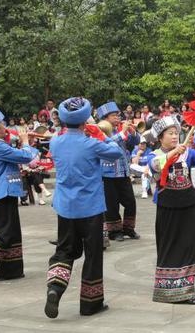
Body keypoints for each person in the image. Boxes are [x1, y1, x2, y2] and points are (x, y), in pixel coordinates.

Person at [44, 97, 123, 319]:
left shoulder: (55, 142)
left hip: (65, 207)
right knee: (93, 255)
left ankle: (55, 288)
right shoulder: (92, 143)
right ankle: (90, 304)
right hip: (90, 208)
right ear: (83, 121)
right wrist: (101, 134)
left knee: (64, 250)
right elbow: (116, 151)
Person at [146, 116, 195, 305]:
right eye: (170, 134)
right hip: (168, 207)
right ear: (160, 137)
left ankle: (185, 290)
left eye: (176, 133)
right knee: (169, 245)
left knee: (187, 245)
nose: (175, 136)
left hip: (189, 205)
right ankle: (167, 289)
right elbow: (155, 166)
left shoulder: (187, 153)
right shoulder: (154, 154)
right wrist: (174, 152)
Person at [0, 109, 37, 280]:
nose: (5, 127)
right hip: (2, 193)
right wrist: (25, 142)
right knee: (6, 234)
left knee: (13, 233)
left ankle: (11, 271)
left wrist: (27, 143)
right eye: (2, 125)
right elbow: (24, 157)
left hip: (3, 192)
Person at [97, 102, 141, 243]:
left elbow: (135, 142)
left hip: (123, 171)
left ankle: (128, 228)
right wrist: (123, 132)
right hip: (107, 172)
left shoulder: (120, 129)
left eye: (117, 115)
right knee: (112, 203)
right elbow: (107, 142)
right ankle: (114, 231)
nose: (117, 117)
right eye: (113, 115)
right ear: (105, 118)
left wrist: (133, 132)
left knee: (130, 201)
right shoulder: (100, 129)